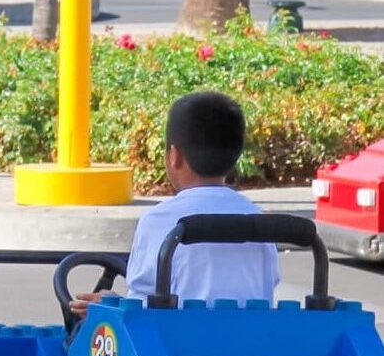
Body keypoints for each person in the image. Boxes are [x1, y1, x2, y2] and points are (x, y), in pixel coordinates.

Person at [76, 89, 280, 313]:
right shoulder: (259, 222)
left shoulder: (158, 221)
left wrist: (110, 303)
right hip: (252, 345)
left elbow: (141, 310)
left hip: (175, 346)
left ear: (175, 155)